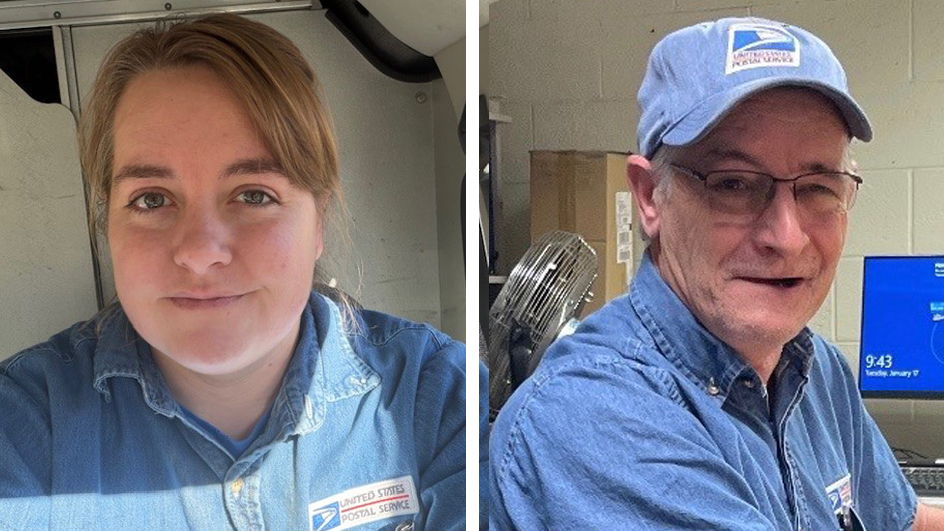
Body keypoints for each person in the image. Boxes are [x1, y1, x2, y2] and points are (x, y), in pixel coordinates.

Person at [0, 13, 465, 531]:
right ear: (106, 225)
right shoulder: (21, 429)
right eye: (152, 199)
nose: (200, 252)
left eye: (254, 195)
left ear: (319, 223)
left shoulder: (439, 398)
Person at [489, 16, 944, 531]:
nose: (786, 236)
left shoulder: (816, 370)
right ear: (648, 197)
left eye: (819, 186)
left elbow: (905, 523)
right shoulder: (588, 417)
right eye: (732, 184)